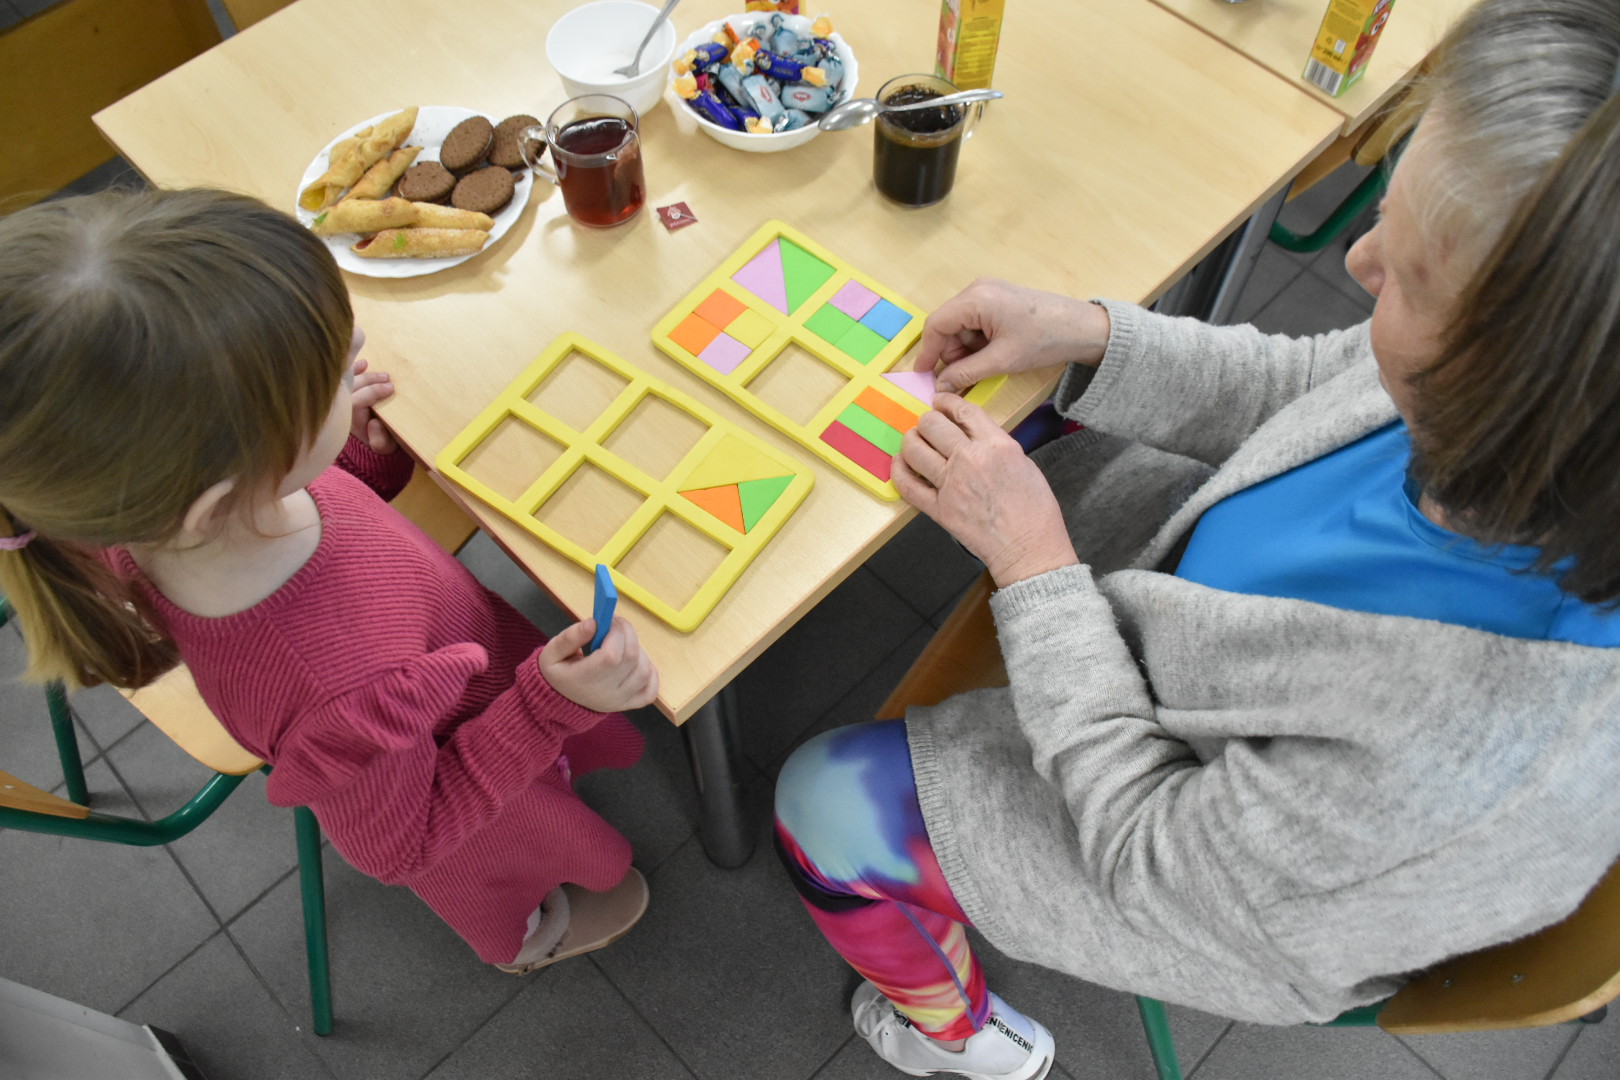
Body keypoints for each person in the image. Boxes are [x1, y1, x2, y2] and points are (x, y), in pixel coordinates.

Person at [773, 1, 1620, 1076]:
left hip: (1194, 871)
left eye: (1410, 278)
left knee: (820, 802)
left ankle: (963, 1038)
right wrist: (1088, 333)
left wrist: (1034, 570)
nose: (1359, 261)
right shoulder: (1537, 421)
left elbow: (1144, 851)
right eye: (1389, 220)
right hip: (1183, 622)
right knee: (1034, 417)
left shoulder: (1472, 758)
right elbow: (1321, 385)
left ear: (1531, 391)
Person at [0, 188, 659, 974]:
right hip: (459, 776)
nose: (356, 354)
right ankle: (519, 940)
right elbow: (405, 842)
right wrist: (548, 710)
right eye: (326, 376)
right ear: (224, 492)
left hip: (445, 680)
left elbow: (328, 512)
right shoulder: (338, 689)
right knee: (532, 853)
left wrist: (357, 452)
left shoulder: (133, 510)